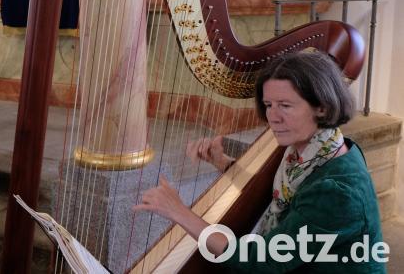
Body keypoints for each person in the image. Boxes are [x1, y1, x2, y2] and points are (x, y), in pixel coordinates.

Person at [135, 51, 385, 273]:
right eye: (268, 105)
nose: (272, 117)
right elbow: (282, 194)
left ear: (321, 107)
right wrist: (221, 161)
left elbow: (262, 260)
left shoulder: (337, 192)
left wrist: (178, 212)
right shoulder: (315, 151)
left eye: (285, 105)